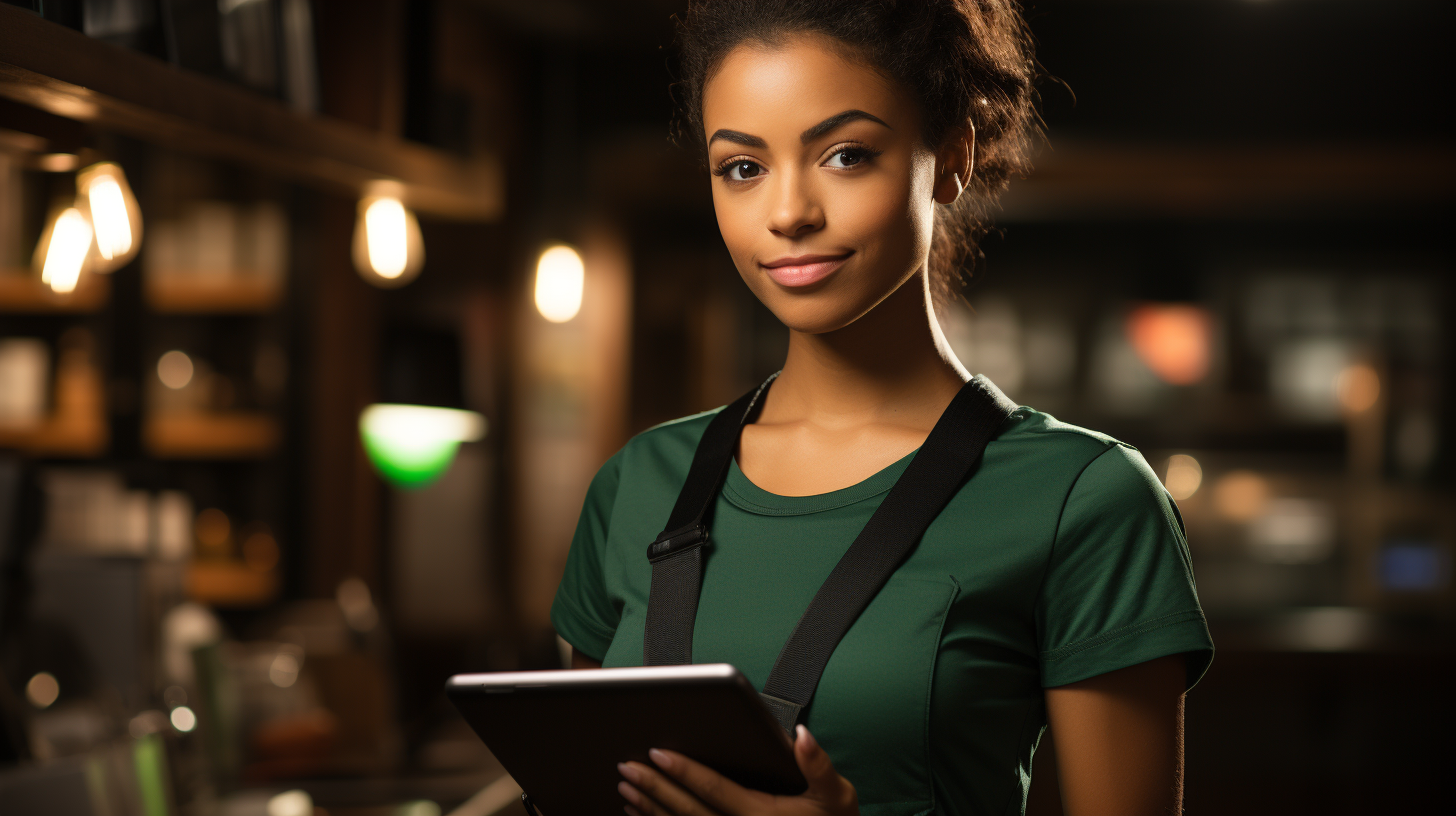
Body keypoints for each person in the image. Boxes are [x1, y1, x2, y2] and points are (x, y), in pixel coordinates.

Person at [550, 1, 1214, 814]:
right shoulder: (638, 485)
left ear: (957, 152)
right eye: (743, 167)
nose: (788, 213)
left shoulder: (1086, 501)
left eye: (846, 155)